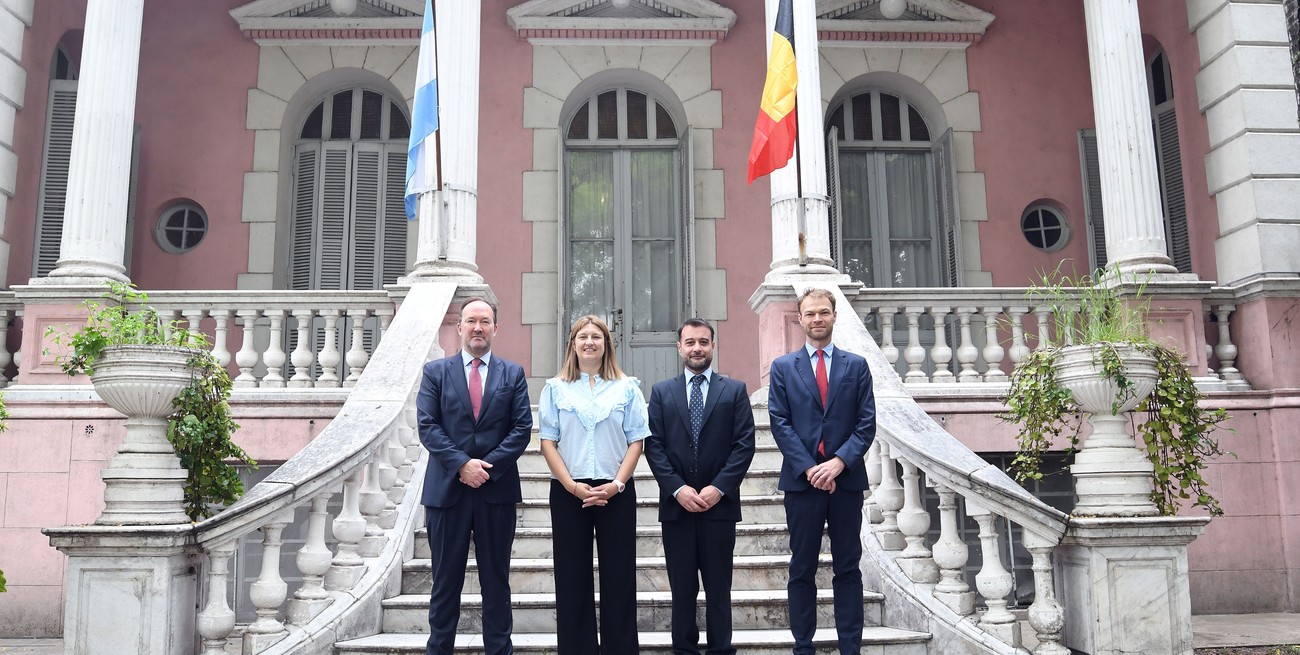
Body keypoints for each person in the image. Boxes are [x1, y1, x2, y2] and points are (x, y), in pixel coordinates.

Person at [416, 298, 533, 655]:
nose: (478, 327)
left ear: (496, 328)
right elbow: (428, 426)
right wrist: (462, 465)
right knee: (444, 584)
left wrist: (486, 468)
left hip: (495, 493)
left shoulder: (512, 374)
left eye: (485, 321)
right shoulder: (436, 372)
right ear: (460, 327)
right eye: (471, 321)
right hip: (447, 492)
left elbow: (522, 428)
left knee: (496, 582)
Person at [767, 287, 876, 655]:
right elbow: (779, 422)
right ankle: (803, 646)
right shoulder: (783, 368)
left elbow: (866, 423)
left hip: (845, 482)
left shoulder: (856, 366)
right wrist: (811, 468)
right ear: (800, 318)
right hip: (802, 484)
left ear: (834, 315)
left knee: (848, 568)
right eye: (810, 313)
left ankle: (850, 648)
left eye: (823, 312)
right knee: (802, 568)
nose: (817, 319)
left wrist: (839, 462)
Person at [645, 318, 756, 655]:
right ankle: (684, 650)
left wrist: (718, 488)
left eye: (703, 342)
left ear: (712, 345)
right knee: (682, 588)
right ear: (679, 347)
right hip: (677, 508)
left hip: (718, 508)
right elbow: (655, 446)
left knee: (719, 588)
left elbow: (744, 444)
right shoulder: (662, 392)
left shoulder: (733, 390)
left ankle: (721, 650)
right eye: (690, 342)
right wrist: (677, 489)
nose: (697, 348)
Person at [538, 315, 649, 655]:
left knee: (619, 577)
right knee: (572, 578)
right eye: (582, 336)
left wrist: (617, 484)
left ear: (606, 344)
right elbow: (547, 442)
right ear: (572, 344)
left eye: (596, 337)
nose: (589, 342)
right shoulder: (554, 388)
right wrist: (571, 485)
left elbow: (637, 441)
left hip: (615, 491)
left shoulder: (627, 387)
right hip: (569, 492)